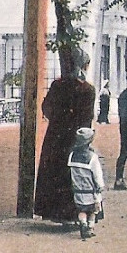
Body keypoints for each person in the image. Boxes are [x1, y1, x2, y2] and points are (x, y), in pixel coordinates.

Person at [34, 48, 95, 224]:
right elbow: (87, 118)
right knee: (78, 173)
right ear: (84, 65)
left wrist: (59, 121)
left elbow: (46, 108)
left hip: (56, 137)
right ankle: (77, 213)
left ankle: (56, 213)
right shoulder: (87, 90)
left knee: (55, 172)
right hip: (76, 138)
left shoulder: (57, 85)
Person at [68, 127, 105, 240]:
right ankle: (90, 227)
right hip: (91, 190)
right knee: (93, 210)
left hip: (78, 190)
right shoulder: (92, 158)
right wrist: (100, 185)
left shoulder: (72, 156)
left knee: (82, 210)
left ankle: (82, 224)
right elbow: (97, 173)